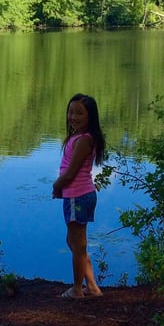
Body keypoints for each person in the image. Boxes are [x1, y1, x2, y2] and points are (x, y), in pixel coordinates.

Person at [52, 93, 106, 299]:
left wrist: (57, 186)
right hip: (77, 195)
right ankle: (91, 286)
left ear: (90, 117)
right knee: (75, 242)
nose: (73, 117)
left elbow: (71, 173)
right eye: (70, 112)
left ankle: (77, 289)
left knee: (78, 245)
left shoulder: (84, 140)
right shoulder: (79, 138)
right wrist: (61, 189)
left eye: (79, 113)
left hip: (78, 196)